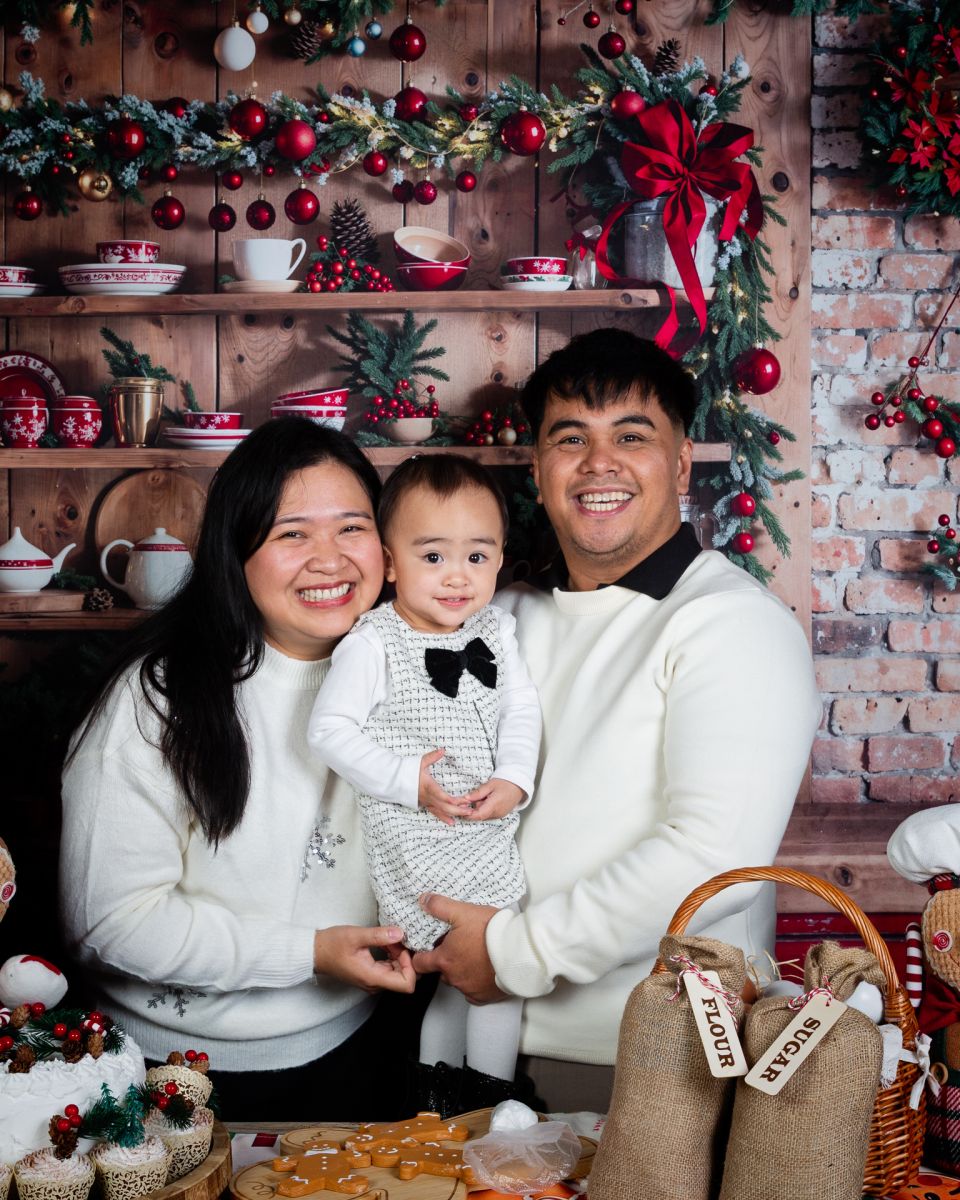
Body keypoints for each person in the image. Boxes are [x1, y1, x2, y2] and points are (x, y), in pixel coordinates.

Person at [412, 328, 822, 1113]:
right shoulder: (502, 616)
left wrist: (515, 952)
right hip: (467, 1041)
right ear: (537, 470)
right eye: (572, 440)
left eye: (630, 437)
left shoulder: (731, 625)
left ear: (677, 464)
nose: (599, 464)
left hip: (637, 1066)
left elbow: (714, 858)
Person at [59, 418, 418, 1121]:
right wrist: (308, 952)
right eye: (291, 534)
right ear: (236, 551)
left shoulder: (408, 675)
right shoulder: (158, 699)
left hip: (361, 1050)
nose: (329, 559)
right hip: (178, 1077)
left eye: (351, 528)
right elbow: (107, 923)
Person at [308, 454, 541, 1112]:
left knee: (465, 976)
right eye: (433, 557)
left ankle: (440, 1106)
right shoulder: (373, 643)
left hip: (486, 828)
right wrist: (410, 781)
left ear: (500, 560)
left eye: (477, 556)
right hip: (416, 837)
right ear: (390, 562)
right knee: (494, 975)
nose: (457, 577)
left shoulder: (498, 629)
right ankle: (493, 1109)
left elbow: (521, 708)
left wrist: (514, 779)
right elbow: (329, 732)